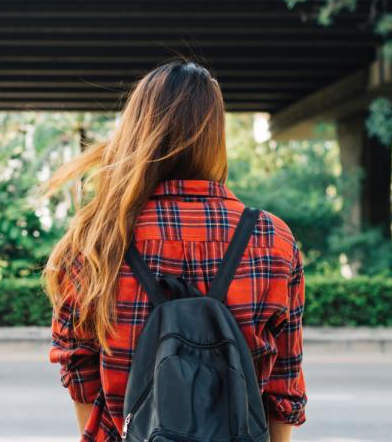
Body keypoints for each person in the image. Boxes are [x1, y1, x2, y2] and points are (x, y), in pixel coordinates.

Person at [42, 60, 306, 442]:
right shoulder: (271, 238)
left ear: (137, 130)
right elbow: (284, 390)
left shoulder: (95, 240)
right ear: (214, 136)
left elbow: (79, 372)